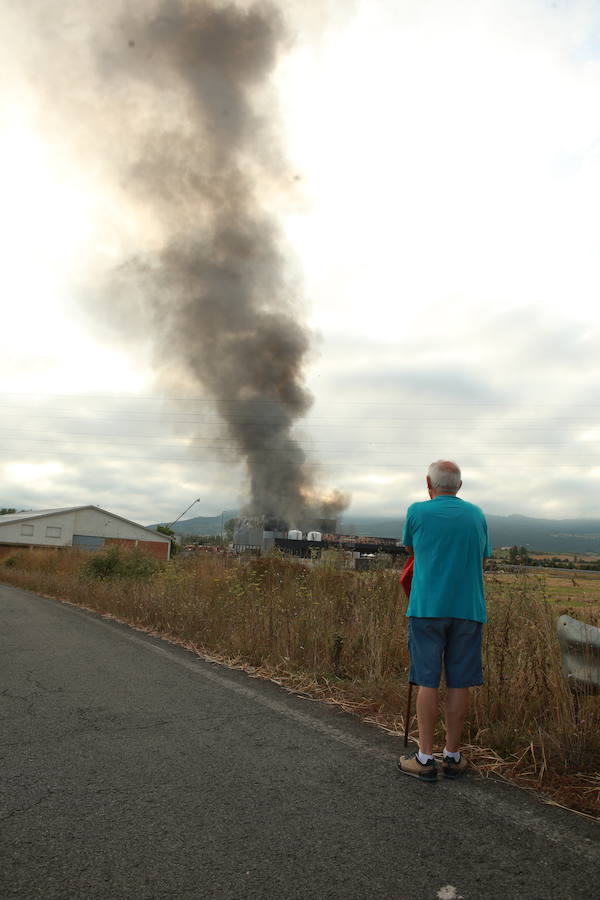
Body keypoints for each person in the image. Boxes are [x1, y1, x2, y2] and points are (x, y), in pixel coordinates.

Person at [397, 460, 492, 782]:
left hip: (426, 608)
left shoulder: (416, 512)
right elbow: (483, 558)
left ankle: (424, 757)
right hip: (468, 610)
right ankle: (452, 755)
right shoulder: (477, 515)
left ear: (428, 483)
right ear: (460, 486)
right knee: (459, 681)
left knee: (427, 679)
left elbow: (411, 549)